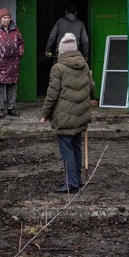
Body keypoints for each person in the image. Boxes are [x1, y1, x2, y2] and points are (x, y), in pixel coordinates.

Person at [39, 33, 93, 194]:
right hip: (81, 114)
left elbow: (52, 94)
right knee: (76, 146)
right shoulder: (84, 65)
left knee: (67, 149)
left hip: (64, 116)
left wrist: (45, 114)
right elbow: (92, 88)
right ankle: (77, 179)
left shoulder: (58, 68)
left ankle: (71, 183)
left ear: (61, 51)